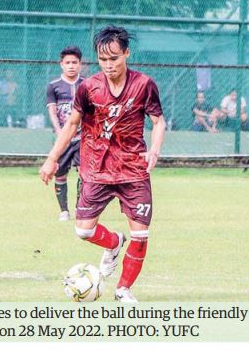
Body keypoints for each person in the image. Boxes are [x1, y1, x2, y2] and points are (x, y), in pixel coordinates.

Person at [39, 25, 165, 303]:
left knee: (141, 234)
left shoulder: (144, 85)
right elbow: (72, 124)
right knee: (83, 230)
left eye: (114, 58)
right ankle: (114, 242)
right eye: (103, 59)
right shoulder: (89, 88)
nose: (108, 65)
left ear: (127, 54)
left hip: (133, 170)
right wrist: (52, 159)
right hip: (96, 169)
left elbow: (158, 122)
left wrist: (154, 152)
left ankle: (123, 289)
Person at [46, 45, 85, 221]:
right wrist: (59, 132)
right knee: (60, 173)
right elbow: (53, 112)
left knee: (84, 173)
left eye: (74, 62)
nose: (71, 66)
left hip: (82, 138)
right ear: (61, 64)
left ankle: (79, 208)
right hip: (63, 138)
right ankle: (64, 210)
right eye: (67, 62)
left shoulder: (87, 84)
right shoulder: (53, 86)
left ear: (80, 64)